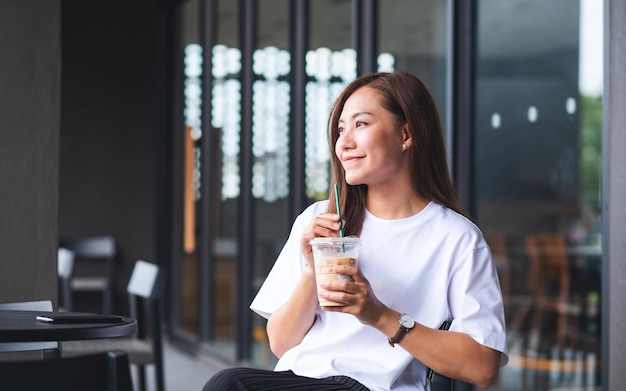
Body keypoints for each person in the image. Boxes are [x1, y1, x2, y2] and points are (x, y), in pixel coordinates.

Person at [203, 71, 508, 391]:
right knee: (228, 382)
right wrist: (313, 271)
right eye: (340, 129)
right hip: (304, 379)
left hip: (375, 385)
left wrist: (378, 314)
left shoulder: (456, 239)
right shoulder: (321, 219)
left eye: (361, 124)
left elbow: (483, 367)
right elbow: (281, 344)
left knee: (231, 383)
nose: (343, 143)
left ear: (406, 134)